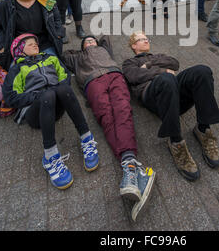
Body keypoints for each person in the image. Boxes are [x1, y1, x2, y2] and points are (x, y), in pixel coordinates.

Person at [62, 34, 155, 221]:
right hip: (92, 82)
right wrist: (83, 48)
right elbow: (63, 54)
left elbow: (105, 39)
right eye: (86, 42)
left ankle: (129, 167)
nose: (90, 43)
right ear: (81, 47)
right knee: (106, 116)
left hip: (114, 75)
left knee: (123, 111)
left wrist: (93, 40)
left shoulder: (104, 49)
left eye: (92, 41)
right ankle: (131, 166)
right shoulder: (77, 57)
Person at [2, 34, 99, 190]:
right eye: (29, 44)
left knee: (65, 89)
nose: (35, 45)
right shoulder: (17, 69)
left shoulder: (49, 58)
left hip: (55, 107)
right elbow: (11, 97)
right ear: (19, 50)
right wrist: (37, 96)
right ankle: (50, 156)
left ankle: (87, 139)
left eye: (36, 43)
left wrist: (57, 90)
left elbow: (65, 75)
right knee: (47, 95)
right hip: (35, 112)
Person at [122, 32, 219, 181]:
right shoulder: (129, 62)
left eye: (146, 38)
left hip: (174, 92)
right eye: (141, 39)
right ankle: (176, 141)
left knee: (202, 71)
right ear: (133, 45)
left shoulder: (158, 55)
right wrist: (161, 70)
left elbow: (174, 63)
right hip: (152, 94)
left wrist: (148, 65)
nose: (145, 40)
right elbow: (134, 76)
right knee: (167, 78)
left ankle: (203, 129)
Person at [0, 0, 64, 71]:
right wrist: (2, 46)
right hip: (19, 46)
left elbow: (57, 18)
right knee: (19, 77)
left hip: (43, 44)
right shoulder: (3, 5)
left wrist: (58, 34)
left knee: (57, 72)